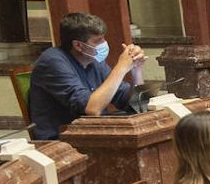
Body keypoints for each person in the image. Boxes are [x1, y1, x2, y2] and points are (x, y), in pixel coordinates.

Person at [28, 12, 146, 140]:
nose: (104, 43)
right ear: (78, 45)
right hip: (61, 141)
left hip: (93, 132)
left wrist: (136, 70)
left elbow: (137, 105)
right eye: (98, 41)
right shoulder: (52, 62)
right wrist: (121, 67)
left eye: (104, 38)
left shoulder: (94, 62)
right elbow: (92, 109)